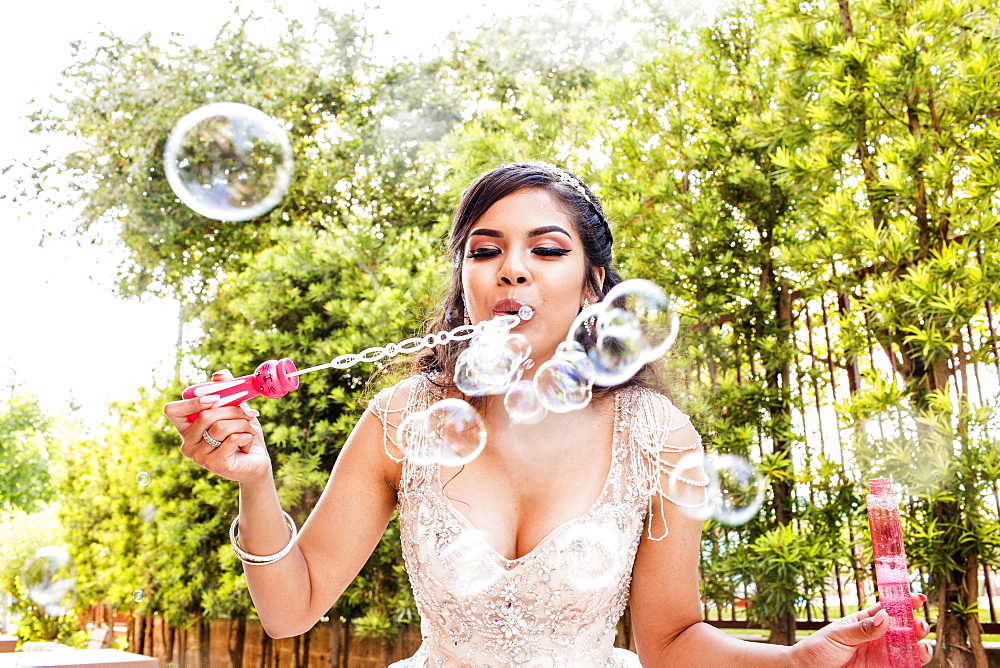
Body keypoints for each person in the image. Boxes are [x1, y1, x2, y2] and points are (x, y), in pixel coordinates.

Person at [164, 162, 933, 666]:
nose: (513, 269)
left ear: (594, 285)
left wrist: (798, 660)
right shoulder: (400, 420)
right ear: (465, 276)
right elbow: (291, 611)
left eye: (548, 250)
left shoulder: (656, 433)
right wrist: (256, 483)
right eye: (485, 250)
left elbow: (669, 639)